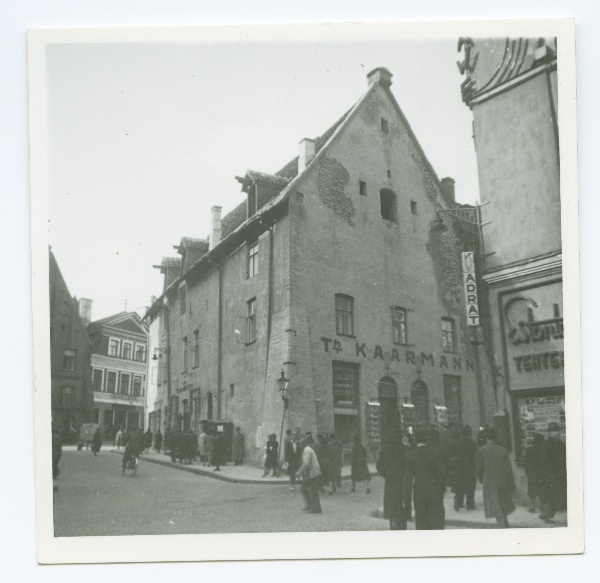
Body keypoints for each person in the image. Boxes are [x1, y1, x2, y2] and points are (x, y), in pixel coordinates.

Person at [404, 428, 446, 530]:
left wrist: (406, 499)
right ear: (427, 440)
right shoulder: (435, 453)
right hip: (434, 489)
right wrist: (442, 489)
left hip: (419, 490)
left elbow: (408, 479)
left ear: (415, 440)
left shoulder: (410, 455)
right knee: (436, 519)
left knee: (421, 519)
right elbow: (441, 474)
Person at [476, 428, 516, 528]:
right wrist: (511, 484)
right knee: (503, 505)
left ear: (486, 438)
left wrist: (481, 479)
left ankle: (503, 528)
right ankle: (505, 525)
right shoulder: (503, 450)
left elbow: (479, 468)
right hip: (502, 481)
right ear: (495, 438)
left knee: (496, 506)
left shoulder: (482, 450)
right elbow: (508, 469)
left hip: (490, 482)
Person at [376, 428, 409, 530]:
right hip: (403, 481)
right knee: (402, 505)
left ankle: (393, 526)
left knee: (392, 506)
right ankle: (402, 527)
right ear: (401, 437)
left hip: (390, 482)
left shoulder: (385, 449)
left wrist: (387, 475)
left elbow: (378, 466)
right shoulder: (406, 449)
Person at [539, 423, 567, 523]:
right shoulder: (546, 444)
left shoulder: (561, 444)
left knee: (556, 494)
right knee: (551, 495)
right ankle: (546, 515)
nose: (557, 433)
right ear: (549, 433)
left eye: (558, 431)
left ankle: (546, 514)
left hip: (560, 473)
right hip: (550, 473)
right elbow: (543, 460)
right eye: (554, 431)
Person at [449, 425, 478, 511]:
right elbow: (475, 457)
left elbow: (452, 456)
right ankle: (470, 504)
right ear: (469, 434)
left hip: (459, 468)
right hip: (470, 467)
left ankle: (459, 501)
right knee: (470, 486)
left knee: (460, 485)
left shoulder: (456, 443)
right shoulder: (473, 444)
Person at [296, 439, 322, 513]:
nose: (299, 445)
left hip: (313, 473)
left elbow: (306, 463)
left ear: (304, 444)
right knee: (303, 488)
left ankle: (316, 509)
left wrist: (299, 472)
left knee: (313, 491)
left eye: (300, 444)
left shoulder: (307, 450)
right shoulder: (306, 450)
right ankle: (309, 505)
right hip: (309, 473)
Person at [524, 433, 545, 513]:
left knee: (532, 490)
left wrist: (527, 472)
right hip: (541, 473)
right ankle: (542, 507)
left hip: (532, 473)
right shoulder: (543, 450)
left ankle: (532, 506)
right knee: (542, 490)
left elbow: (526, 462)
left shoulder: (529, 450)